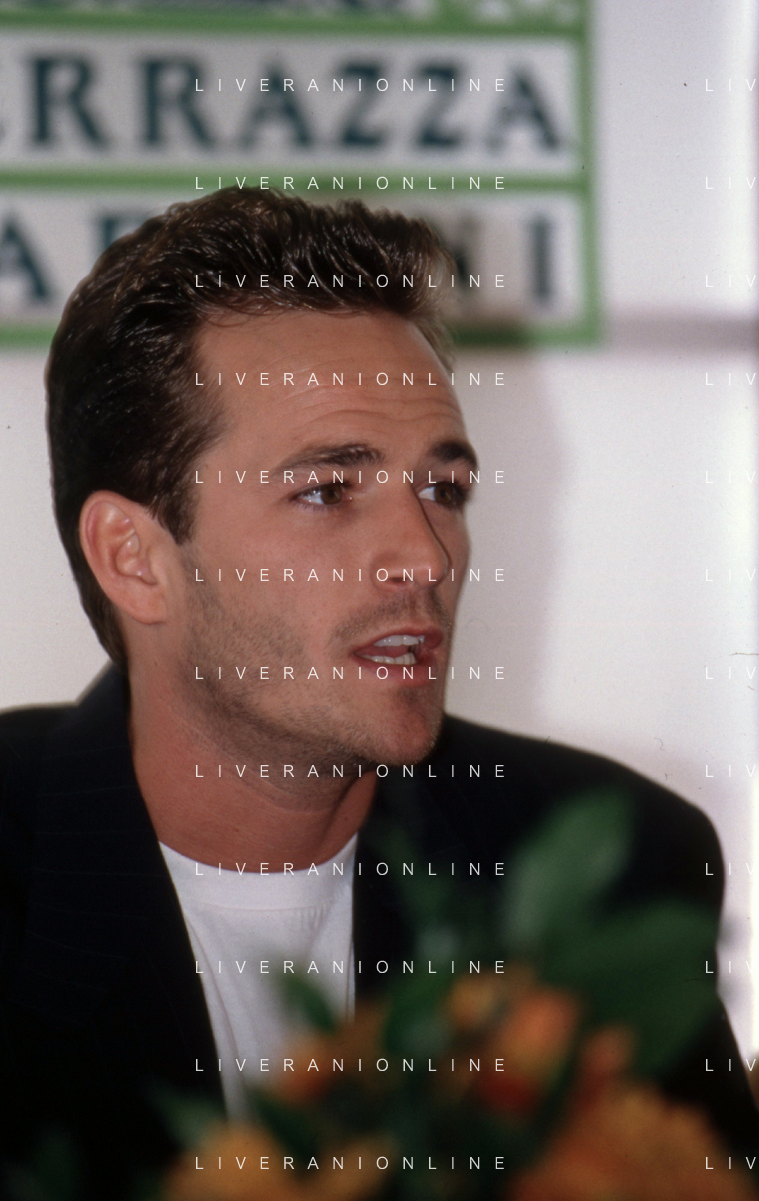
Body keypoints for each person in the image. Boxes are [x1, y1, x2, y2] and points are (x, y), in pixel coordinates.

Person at [0, 188, 755, 1198]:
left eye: (443, 489)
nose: (425, 556)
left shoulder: (608, 858)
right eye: (326, 490)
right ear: (134, 559)